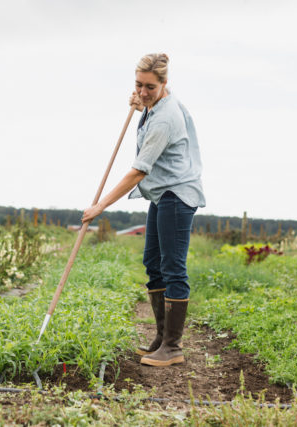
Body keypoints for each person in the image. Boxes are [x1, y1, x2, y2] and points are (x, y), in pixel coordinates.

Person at [82, 53, 205, 367]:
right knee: (153, 263)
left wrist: (101, 205)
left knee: (173, 267)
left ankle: (173, 347)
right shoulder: (155, 106)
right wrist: (142, 106)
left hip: (177, 195)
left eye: (150, 86)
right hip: (163, 194)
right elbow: (148, 108)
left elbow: (139, 171)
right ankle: (161, 339)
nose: (143, 91)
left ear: (164, 83)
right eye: (138, 84)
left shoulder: (165, 118)